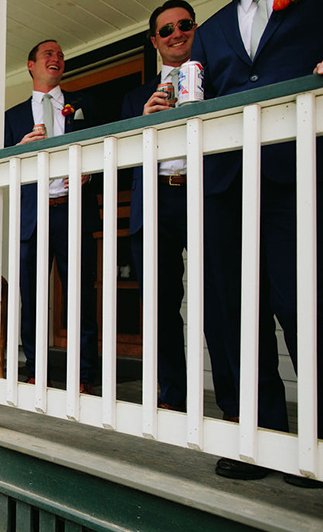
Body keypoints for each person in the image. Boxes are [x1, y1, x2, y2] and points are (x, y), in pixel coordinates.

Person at [192, 0, 323, 483]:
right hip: (227, 182)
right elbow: (198, 95)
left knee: (302, 304)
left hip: (296, 173)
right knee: (238, 311)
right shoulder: (210, 31)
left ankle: (315, 441)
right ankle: (262, 439)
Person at [4, 40, 100, 392]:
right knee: (31, 298)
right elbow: (1, 165)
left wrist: (91, 173)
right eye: (48, 54)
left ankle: (84, 374)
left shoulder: (84, 104)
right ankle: (35, 370)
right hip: (33, 218)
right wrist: (18, 151)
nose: (56, 58)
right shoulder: (12, 117)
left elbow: (102, 150)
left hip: (73, 211)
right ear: (31, 65)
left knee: (80, 296)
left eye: (60, 54)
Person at [121, 0, 197, 412]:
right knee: (161, 305)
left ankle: (235, 401)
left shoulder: (219, 77)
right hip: (155, 201)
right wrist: (143, 122)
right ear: (154, 41)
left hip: (207, 195)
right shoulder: (136, 96)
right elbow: (121, 157)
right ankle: (174, 395)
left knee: (222, 300)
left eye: (184, 25)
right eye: (166, 30)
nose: (176, 34)